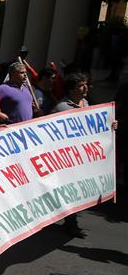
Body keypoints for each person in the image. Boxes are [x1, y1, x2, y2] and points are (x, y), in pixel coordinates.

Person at [51, 72, 92, 237]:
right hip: (67, 157)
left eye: (85, 84)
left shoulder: (86, 103)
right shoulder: (62, 108)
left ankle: (70, 220)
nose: (85, 88)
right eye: (81, 85)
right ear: (71, 89)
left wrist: (110, 124)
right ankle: (70, 222)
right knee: (69, 190)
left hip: (82, 156)